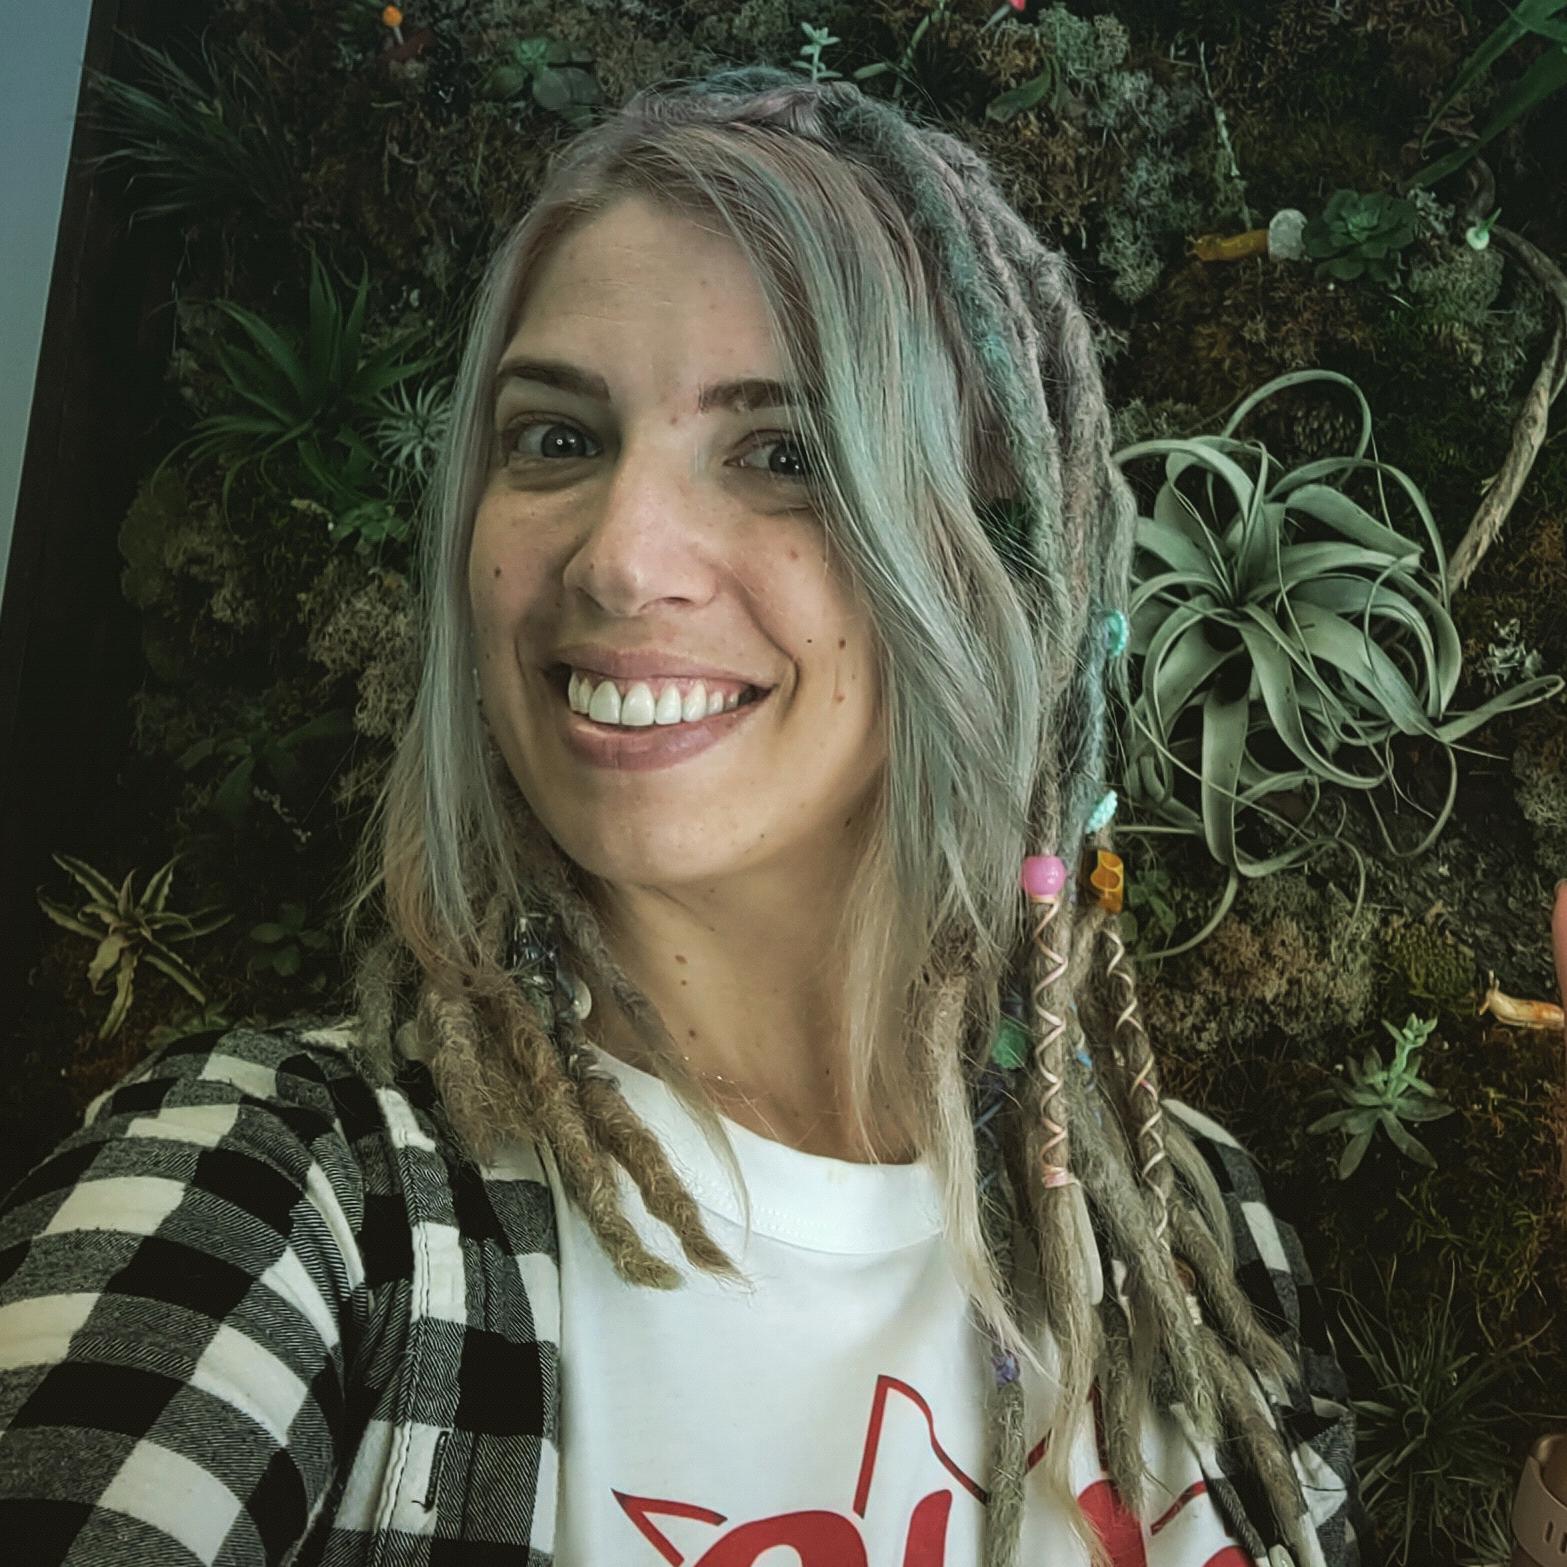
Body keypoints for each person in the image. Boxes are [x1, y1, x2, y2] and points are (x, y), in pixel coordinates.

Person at [0, 66, 1376, 1565]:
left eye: (782, 455)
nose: (618, 557)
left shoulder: (1192, 1229)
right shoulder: (276, 1198)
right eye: (556, 439)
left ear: (985, 565)